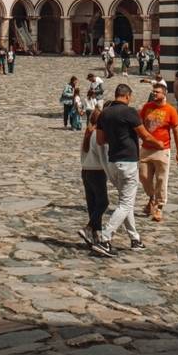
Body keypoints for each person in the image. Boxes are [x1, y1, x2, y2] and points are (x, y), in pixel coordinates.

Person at [89, 83, 165, 257]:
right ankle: (105, 239)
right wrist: (158, 144)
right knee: (125, 203)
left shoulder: (104, 113)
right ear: (127, 96)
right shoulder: (129, 112)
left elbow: (101, 140)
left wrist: (116, 138)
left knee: (126, 201)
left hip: (113, 163)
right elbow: (144, 134)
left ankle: (135, 239)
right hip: (128, 162)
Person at [137, 81, 178, 222]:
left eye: (157, 92)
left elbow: (176, 131)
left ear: (164, 94)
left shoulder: (171, 110)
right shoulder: (147, 107)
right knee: (143, 177)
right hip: (146, 148)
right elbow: (139, 125)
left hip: (162, 150)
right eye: (153, 91)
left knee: (161, 179)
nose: (154, 93)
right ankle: (151, 198)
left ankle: (159, 207)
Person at [78, 107, 111, 252]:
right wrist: (109, 172)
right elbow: (103, 155)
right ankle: (89, 228)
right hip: (97, 172)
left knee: (93, 205)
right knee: (103, 202)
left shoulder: (87, 133)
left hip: (86, 171)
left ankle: (94, 235)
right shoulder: (97, 135)